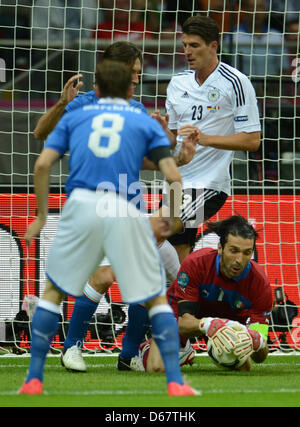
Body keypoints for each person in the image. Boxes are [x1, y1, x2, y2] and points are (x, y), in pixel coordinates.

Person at [19, 60, 198, 396]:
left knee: (54, 292)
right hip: (123, 208)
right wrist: (170, 219)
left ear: (96, 89)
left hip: (82, 205)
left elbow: (42, 162)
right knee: (155, 293)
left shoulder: (76, 116)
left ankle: (34, 378)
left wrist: (42, 216)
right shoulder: (141, 119)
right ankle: (174, 381)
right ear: (131, 90)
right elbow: (173, 176)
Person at [117, 14, 263, 371]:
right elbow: (174, 140)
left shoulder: (236, 82)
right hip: (176, 182)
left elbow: (252, 140)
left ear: (215, 46)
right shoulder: (177, 81)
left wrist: (205, 138)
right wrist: (163, 133)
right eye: (184, 45)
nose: (187, 52)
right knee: (179, 269)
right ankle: (194, 333)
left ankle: (131, 347)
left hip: (210, 184)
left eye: (195, 46)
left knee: (145, 239)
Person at [135, 215, 273, 373]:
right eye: (233, 251)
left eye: (247, 253)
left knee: (243, 368)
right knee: (156, 367)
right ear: (220, 247)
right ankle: (171, 348)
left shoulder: (260, 284)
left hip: (227, 322)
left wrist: (257, 341)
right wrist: (210, 325)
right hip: (187, 316)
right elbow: (184, 323)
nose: (239, 260)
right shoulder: (196, 264)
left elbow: (260, 358)